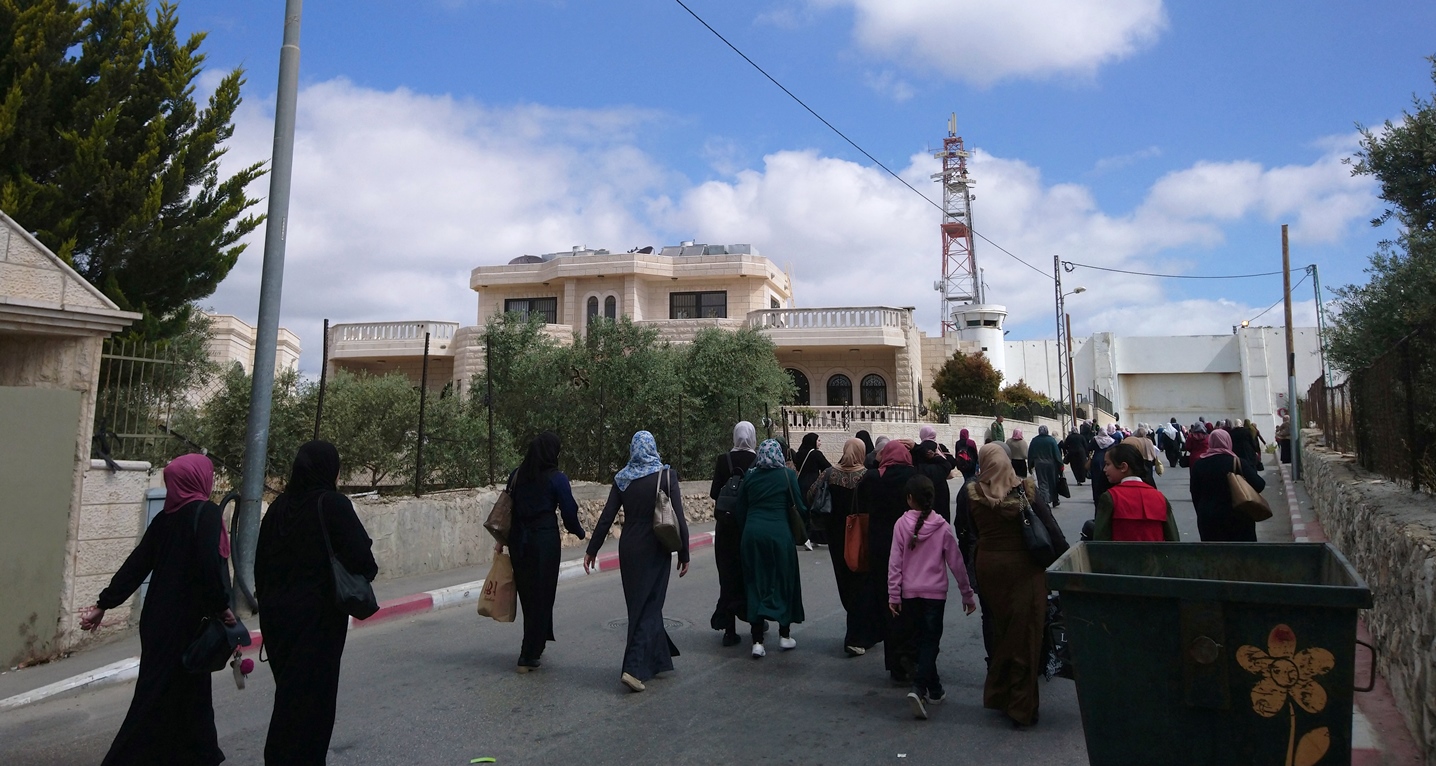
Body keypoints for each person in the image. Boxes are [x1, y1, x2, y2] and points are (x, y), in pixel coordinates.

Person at [80, 454, 233, 766]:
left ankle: (202, 754)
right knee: (159, 696)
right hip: (189, 622)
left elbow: (136, 565)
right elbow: (209, 565)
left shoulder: (164, 520)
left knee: (189, 692)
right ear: (200, 479)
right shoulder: (206, 514)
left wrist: (103, 604)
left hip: (158, 621)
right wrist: (222, 608)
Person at [254, 441, 378, 765]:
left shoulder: (279, 507)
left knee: (289, 699)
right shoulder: (333, 505)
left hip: (277, 621)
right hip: (317, 623)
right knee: (314, 706)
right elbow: (366, 564)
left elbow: (260, 565)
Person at [966, 443, 1067, 728]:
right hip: (1024, 570)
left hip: (989, 569)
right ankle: (1021, 707)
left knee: (1002, 631)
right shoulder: (1025, 491)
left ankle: (1000, 695)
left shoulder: (972, 495)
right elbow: (1050, 529)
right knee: (1026, 635)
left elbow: (969, 532)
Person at [584, 431, 690, 692]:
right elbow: (679, 517)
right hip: (656, 545)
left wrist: (592, 549)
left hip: (630, 545)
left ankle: (659, 659)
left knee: (638, 605)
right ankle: (632, 668)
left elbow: (607, 517)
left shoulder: (623, 479)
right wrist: (684, 553)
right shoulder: (666, 475)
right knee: (651, 604)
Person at [888, 475, 977, 720]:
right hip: (935, 595)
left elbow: (895, 563)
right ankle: (920, 686)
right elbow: (957, 563)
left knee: (921, 641)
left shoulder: (900, 525)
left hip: (910, 593)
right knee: (930, 641)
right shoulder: (942, 527)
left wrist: (894, 594)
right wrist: (967, 594)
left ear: (909, 498)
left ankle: (933, 688)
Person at [498, 432, 585, 672]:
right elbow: (568, 512)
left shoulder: (516, 475)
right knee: (543, 595)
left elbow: (509, 509)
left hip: (519, 542)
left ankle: (534, 644)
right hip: (543, 542)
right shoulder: (557, 479)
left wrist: (502, 541)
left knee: (528, 595)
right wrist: (579, 532)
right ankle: (529, 653)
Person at [735, 439, 808, 658]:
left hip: (753, 535)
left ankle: (757, 640)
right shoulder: (787, 476)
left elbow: (740, 509)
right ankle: (784, 635)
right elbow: (800, 507)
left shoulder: (750, 476)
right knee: (783, 580)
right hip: (780, 535)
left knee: (755, 582)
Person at [857, 439, 920, 682]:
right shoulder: (913, 476)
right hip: (910, 546)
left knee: (888, 602)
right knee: (911, 602)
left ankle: (894, 663)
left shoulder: (873, 477)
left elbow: (863, 500)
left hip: (881, 546)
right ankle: (911, 656)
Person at [811, 438, 877, 656]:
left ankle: (858, 629)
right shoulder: (867, 476)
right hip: (859, 534)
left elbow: (811, 494)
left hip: (836, 536)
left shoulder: (829, 474)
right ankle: (857, 635)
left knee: (845, 581)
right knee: (861, 581)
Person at [709, 421, 758, 646]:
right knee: (749, 575)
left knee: (727, 576)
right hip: (747, 526)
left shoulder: (723, 460)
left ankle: (729, 629)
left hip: (726, 527)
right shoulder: (757, 460)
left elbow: (713, 493)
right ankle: (756, 623)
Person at [1190, 429, 1267, 542]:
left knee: (1214, 556)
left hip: (1209, 519)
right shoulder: (1238, 463)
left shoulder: (1199, 464)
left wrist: (1202, 511)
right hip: (1238, 517)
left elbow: (1195, 493)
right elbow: (1260, 485)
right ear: (1228, 442)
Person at [1092, 444, 1179, 542]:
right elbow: (1173, 540)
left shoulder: (1110, 497)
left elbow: (1100, 541)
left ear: (1123, 467)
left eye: (1108, 464)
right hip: (1155, 556)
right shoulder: (1160, 497)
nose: (1104, 469)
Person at [793, 432, 832, 547]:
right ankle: (812, 536)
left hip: (800, 483)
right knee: (813, 510)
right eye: (818, 440)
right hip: (813, 484)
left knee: (803, 509)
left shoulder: (799, 453)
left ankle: (802, 535)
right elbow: (827, 466)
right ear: (813, 441)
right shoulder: (816, 454)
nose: (820, 443)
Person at [911, 438, 958, 522]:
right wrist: (934, 456)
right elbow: (949, 464)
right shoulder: (939, 469)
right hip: (941, 494)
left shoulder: (916, 469)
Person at [1089, 426, 1118, 505]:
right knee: (1107, 478)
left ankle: (1096, 497)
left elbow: (1089, 448)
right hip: (1107, 461)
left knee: (1095, 479)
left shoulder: (1095, 439)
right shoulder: (1111, 441)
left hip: (1096, 460)